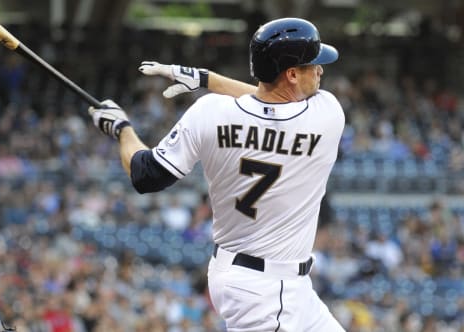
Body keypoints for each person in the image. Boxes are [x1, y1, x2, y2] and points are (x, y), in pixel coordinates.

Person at [89, 17, 345, 332]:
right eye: (312, 65)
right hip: (263, 294)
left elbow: (146, 174)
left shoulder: (209, 112)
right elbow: (274, 103)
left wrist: (122, 129)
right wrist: (208, 79)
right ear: (291, 73)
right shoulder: (328, 114)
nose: (320, 70)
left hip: (265, 284)